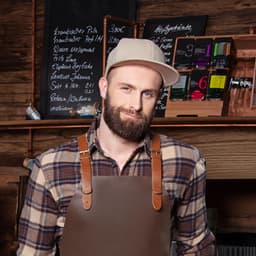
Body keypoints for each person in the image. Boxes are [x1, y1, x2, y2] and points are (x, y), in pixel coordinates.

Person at [17, 38, 215, 255]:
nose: (136, 105)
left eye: (147, 93)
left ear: (157, 97)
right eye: (126, 88)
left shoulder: (185, 160)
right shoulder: (50, 167)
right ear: (104, 87)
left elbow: (197, 251)